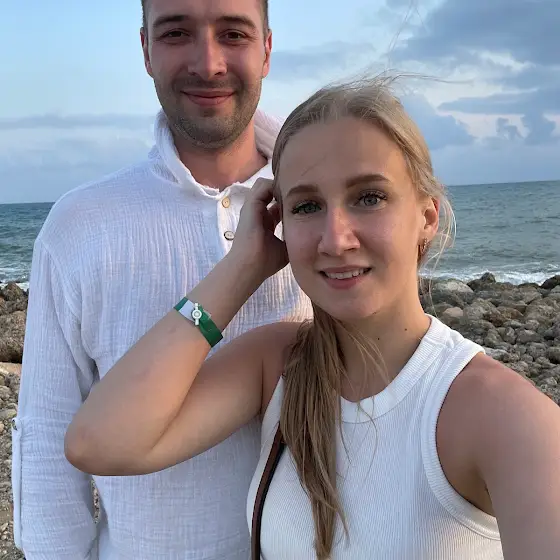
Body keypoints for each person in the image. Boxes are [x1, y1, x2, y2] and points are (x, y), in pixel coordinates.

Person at [65, 74, 560, 560]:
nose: (335, 239)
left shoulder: (503, 416)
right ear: (277, 220)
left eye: (369, 197)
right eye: (307, 206)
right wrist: (240, 268)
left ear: (427, 217)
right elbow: (101, 442)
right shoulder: (278, 365)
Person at [12, 0, 311, 558]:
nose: (209, 63)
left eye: (233, 34)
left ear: (267, 49)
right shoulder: (80, 224)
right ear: (146, 50)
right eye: (176, 33)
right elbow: (49, 442)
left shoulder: (327, 216)